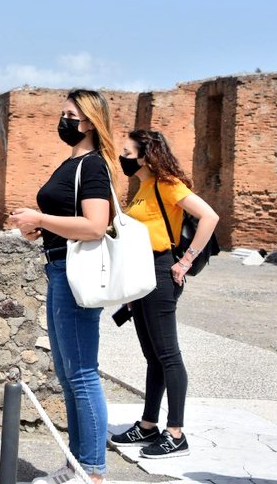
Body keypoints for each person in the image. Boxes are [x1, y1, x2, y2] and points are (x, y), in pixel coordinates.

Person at [8, 89, 120, 484]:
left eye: (70, 114)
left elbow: (94, 225)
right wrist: (38, 228)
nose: (64, 120)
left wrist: (40, 215)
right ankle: (76, 465)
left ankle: (92, 470)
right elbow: (66, 220)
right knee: (68, 371)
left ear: (89, 121)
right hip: (58, 267)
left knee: (83, 373)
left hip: (75, 274)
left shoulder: (92, 166)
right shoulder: (70, 163)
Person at [108, 129, 219, 459]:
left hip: (160, 270)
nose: (122, 158)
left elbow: (209, 217)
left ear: (143, 156)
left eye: (127, 152)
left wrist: (185, 261)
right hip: (140, 273)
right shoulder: (141, 187)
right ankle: (147, 424)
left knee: (168, 354)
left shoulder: (167, 183)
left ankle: (176, 432)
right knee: (152, 355)